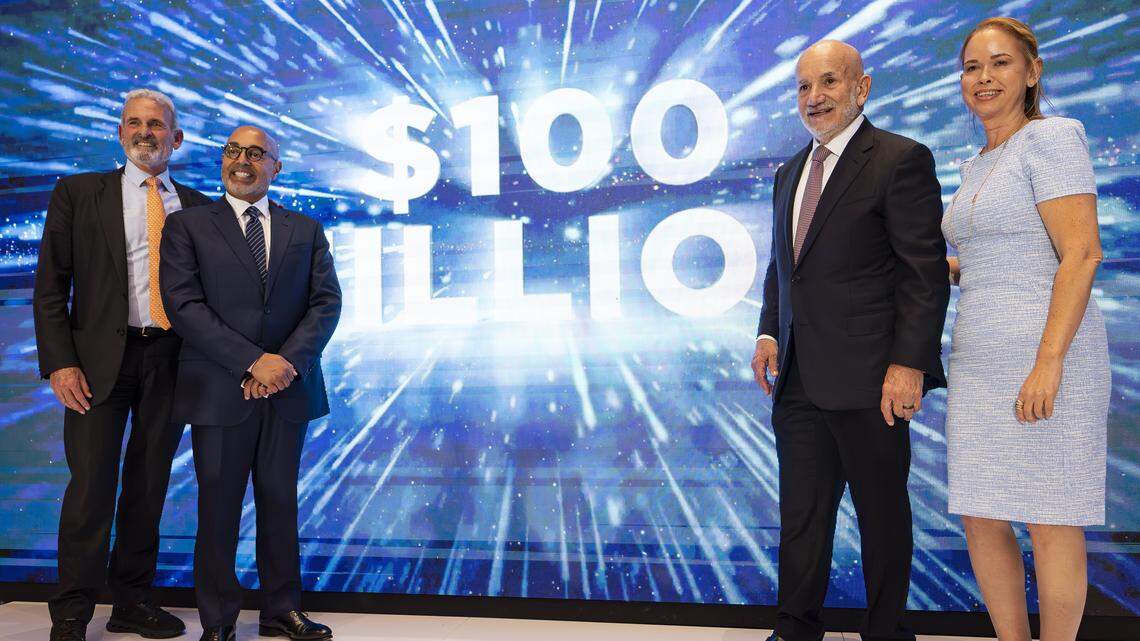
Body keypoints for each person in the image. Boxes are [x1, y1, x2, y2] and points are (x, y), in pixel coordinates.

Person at [750, 40, 949, 641]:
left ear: (863, 88)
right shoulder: (790, 172)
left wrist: (909, 364)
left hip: (873, 379)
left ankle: (887, 631)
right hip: (800, 379)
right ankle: (794, 629)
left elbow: (924, 272)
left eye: (829, 82)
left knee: (881, 515)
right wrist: (767, 329)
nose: (815, 98)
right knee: (801, 518)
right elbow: (785, 265)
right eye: (804, 87)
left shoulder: (900, 159)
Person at [943, 17, 1109, 641]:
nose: (983, 78)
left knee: (1051, 516)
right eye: (971, 67)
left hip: (1046, 357)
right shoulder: (980, 161)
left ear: (1032, 72)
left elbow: (1082, 253)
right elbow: (993, 255)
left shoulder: (1053, 139)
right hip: (978, 360)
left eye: (1000, 64)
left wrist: (1049, 361)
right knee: (982, 514)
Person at [33, 89, 212, 641]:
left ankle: (132, 603)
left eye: (156, 125)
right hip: (94, 366)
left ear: (175, 138)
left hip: (171, 360)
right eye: (133, 123)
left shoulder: (200, 206)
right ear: (119, 133)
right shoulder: (78, 193)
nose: (144, 132)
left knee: (148, 486)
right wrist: (61, 364)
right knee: (90, 489)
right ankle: (71, 612)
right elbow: (50, 288)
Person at [160, 125, 341, 641]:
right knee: (218, 507)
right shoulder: (187, 226)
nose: (243, 160)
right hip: (220, 390)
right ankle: (219, 620)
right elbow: (184, 307)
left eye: (256, 154)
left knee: (280, 502)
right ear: (223, 161)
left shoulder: (305, 229)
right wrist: (252, 362)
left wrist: (284, 364)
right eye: (234, 151)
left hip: (288, 391)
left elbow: (325, 304)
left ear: (275, 167)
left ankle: (281, 609)